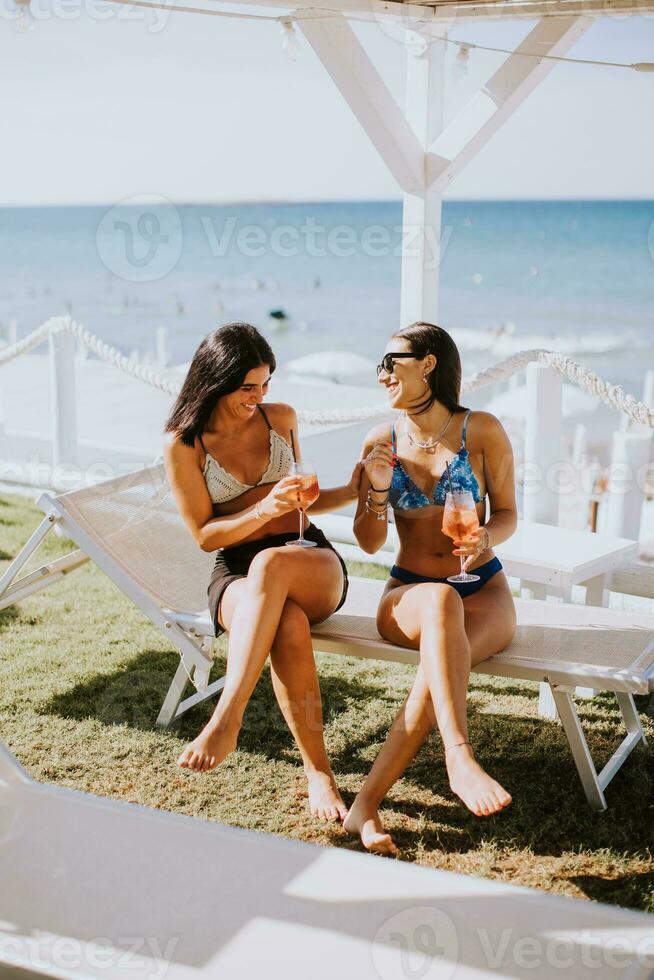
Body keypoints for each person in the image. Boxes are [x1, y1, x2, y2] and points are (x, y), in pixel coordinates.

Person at [164, 322, 361, 822]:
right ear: (214, 380)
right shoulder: (184, 444)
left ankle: (228, 716)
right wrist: (261, 509)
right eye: (248, 387)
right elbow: (205, 536)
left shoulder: (281, 419)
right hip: (233, 569)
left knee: (274, 563)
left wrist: (358, 488)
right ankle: (319, 773)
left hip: (304, 556)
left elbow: (303, 506)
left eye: (265, 384)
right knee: (286, 622)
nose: (259, 396)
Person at [344, 322, 518, 855]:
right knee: (440, 603)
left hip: (483, 591)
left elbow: (509, 514)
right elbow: (369, 542)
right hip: (410, 595)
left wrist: (488, 535)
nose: (381, 373)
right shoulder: (380, 441)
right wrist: (375, 490)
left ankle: (364, 806)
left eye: (390, 360)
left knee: (437, 668)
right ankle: (458, 755)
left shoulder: (481, 430)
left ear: (428, 363)